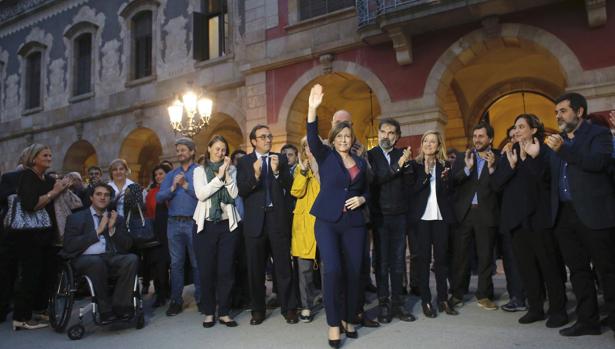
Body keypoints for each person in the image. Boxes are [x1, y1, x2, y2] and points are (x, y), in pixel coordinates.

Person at [531, 93, 615, 337]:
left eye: (563, 111)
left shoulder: (598, 135)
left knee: (607, 269)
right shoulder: (556, 143)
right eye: (556, 112)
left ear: (579, 112)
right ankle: (588, 321)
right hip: (565, 217)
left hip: (594, 213)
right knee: (578, 271)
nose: (558, 115)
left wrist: (564, 150)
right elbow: (549, 180)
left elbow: (598, 164)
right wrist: (536, 158)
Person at [491, 114, 568, 328]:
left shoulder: (543, 151)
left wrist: (529, 160)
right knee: (527, 268)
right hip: (516, 221)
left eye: (521, 126)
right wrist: (512, 165)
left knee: (549, 267)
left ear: (534, 130)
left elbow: (545, 181)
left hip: (539, 219)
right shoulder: (509, 153)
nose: (516, 131)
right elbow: (496, 185)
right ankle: (535, 309)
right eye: (515, 127)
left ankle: (558, 311)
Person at [307, 84, 369, 347]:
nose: (344, 139)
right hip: (327, 222)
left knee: (355, 272)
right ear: (333, 138)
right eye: (340, 136)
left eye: (348, 136)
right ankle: (334, 324)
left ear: (352, 138)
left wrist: (363, 197)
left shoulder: (362, 162)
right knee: (332, 271)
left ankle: (349, 317)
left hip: (354, 224)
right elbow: (311, 137)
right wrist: (312, 108)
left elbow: (368, 191)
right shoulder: (325, 156)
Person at [237, 125, 298, 325]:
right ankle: (258, 310)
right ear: (253, 141)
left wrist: (279, 173)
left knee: (283, 267)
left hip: (277, 219)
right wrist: (255, 176)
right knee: (255, 269)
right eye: (263, 137)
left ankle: (289, 308)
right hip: (255, 223)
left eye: (269, 136)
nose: (268, 139)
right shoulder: (245, 162)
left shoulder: (279, 159)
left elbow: (291, 186)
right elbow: (242, 191)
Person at [12, 144, 71, 330]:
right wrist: (55, 191)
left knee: (43, 274)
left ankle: (38, 309)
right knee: (30, 275)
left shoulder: (43, 177)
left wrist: (60, 186)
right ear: (33, 158)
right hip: (29, 236)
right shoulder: (27, 176)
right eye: (45, 155)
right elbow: (31, 204)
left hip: (45, 235)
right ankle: (21, 317)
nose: (49, 158)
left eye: (50, 155)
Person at [61, 182, 139, 324]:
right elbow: (69, 246)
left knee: (131, 259)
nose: (103, 198)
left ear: (110, 199)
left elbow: (128, 245)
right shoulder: (76, 218)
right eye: (99, 194)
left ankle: (121, 306)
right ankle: (105, 310)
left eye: (106, 195)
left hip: (109, 257)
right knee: (96, 262)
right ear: (91, 197)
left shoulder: (116, 218)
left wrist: (111, 229)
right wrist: (98, 231)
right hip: (85, 259)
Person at [367, 118, 415, 323]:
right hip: (380, 217)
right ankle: (384, 304)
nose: (386, 136)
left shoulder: (403, 155)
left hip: (399, 216)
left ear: (397, 136)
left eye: (391, 133)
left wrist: (408, 165)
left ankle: (398, 304)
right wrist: (399, 166)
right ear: (378, 134)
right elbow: (376, 179)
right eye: (383, 132)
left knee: (397, 262)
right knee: (382, 262)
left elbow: (409, 185)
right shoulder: (370, 155)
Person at [449, 122, 499, 311]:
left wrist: (493, 168)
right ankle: (457, 293)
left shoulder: (499, 157)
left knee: (485, 256)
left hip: (486, 213)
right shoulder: (463, 157)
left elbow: (500, 185)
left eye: (481, 136)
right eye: (475, 136)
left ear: (490, 139)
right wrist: (468, 169)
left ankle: (484, 295)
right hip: (465, 213)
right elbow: (453, 182)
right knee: (460, 256)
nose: (477, 140)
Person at [193, 135, 241, 328]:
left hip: (227, 225)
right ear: (209, 148)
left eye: (223, 150)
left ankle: (224, 312)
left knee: (226, 270)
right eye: (217, 148)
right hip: (205, 225)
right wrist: (219, 177)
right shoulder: (199, 171)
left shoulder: (232, 169)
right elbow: (202, 194)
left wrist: (227, 175)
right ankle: (208, 312)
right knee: (206, 271)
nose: (220, 152)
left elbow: (234, 194)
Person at [408, 130, 457, 318]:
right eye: (425, 141)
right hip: (421, 219)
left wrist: (446, 180)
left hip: (441, 218)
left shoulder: (445, 165)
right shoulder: (414, 165)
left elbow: (450, 193)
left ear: (438, 146)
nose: (429, 144)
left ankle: (443, 299)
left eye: (433, 142)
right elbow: (411, 192)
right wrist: (426, 176)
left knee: (442, 260)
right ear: (422, 144)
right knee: (423, 260)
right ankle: (426, 300)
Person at [156, 137, 201, 317]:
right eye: (178, 150)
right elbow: (159, 198)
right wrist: (174, 187)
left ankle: (201, 299)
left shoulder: (199, 172)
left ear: (191, 151)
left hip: (193, 221)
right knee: (176, 264)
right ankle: (176, 301)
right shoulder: (170, 175)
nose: (179, 153)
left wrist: (186, 186)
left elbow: (202, 195)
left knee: (197, 262)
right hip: (173, 223)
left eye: (183, 150)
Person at [290, 136, 321, 323]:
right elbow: (296, 192)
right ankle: (307, 306)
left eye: (312, 145)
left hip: (324, 220)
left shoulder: (327, 164)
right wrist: (303, 171)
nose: (309, 149)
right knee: (304, 270)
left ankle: (332, 301)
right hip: (304, 224)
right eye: (306, 146)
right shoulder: (299, 168)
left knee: (328, 267)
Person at [143, 164, 171, 308]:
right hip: (158, 231)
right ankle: (161, 293)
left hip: (172, 228)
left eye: (161, 173)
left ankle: (171, 290)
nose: (158, 177)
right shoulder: (151, 193)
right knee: (160, 263)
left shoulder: (175, 188)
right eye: (156, 175)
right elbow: (149, 213)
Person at [229, 149, 250, 309]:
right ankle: (234, 298)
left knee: (245, 263)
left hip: (246, 223)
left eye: (243, 159)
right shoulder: (231, 174)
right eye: (237, 159)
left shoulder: (250, 174)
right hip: (230, 223)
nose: (240, 162)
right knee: (231, 263)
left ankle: (246, 296)